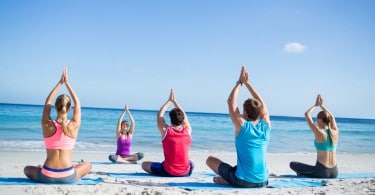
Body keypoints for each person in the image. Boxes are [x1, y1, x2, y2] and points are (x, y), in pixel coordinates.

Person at [206, 66, 271, 188]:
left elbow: (231, 101)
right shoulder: (266, 125)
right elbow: (261, 104)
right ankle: (230, 178)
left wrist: (240, 82)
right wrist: (248, 84)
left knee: (210, 160)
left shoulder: (242, 125)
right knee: (240, 166)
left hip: (244, 182)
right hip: (263, 181)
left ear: (245, 112)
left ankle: (230, 180)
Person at [23, 68, 91, 184]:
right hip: (68, 176)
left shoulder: (47, 124)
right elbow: (78, 103)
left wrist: (60, 83)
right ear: (69, 109)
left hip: (46, 175)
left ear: (55, 107)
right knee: (87, 165)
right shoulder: (74, 125)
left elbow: (47, 101)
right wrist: (67, 84)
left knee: (27, 169)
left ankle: (43, 168)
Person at [141, 89, 194, 177]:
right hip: (186, 172)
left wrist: (169, 101)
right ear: (182, 119)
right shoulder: (188, 130)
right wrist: (175, 102)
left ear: (170, 118)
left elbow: (160, 116)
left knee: (144, 164)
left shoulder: (166, 131)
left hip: (168, 172)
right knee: (191, 162)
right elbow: (185, 117)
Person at [290, 94, 339, 178]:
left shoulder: (319, 132)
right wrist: (322, 106)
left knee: (292, 164)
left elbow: (307, 114)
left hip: (322, 172)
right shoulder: (335, 132)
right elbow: (332, 116)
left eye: (317, 119)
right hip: (334, 172)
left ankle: (302, 174)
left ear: (320, 119)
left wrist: (316, 105)